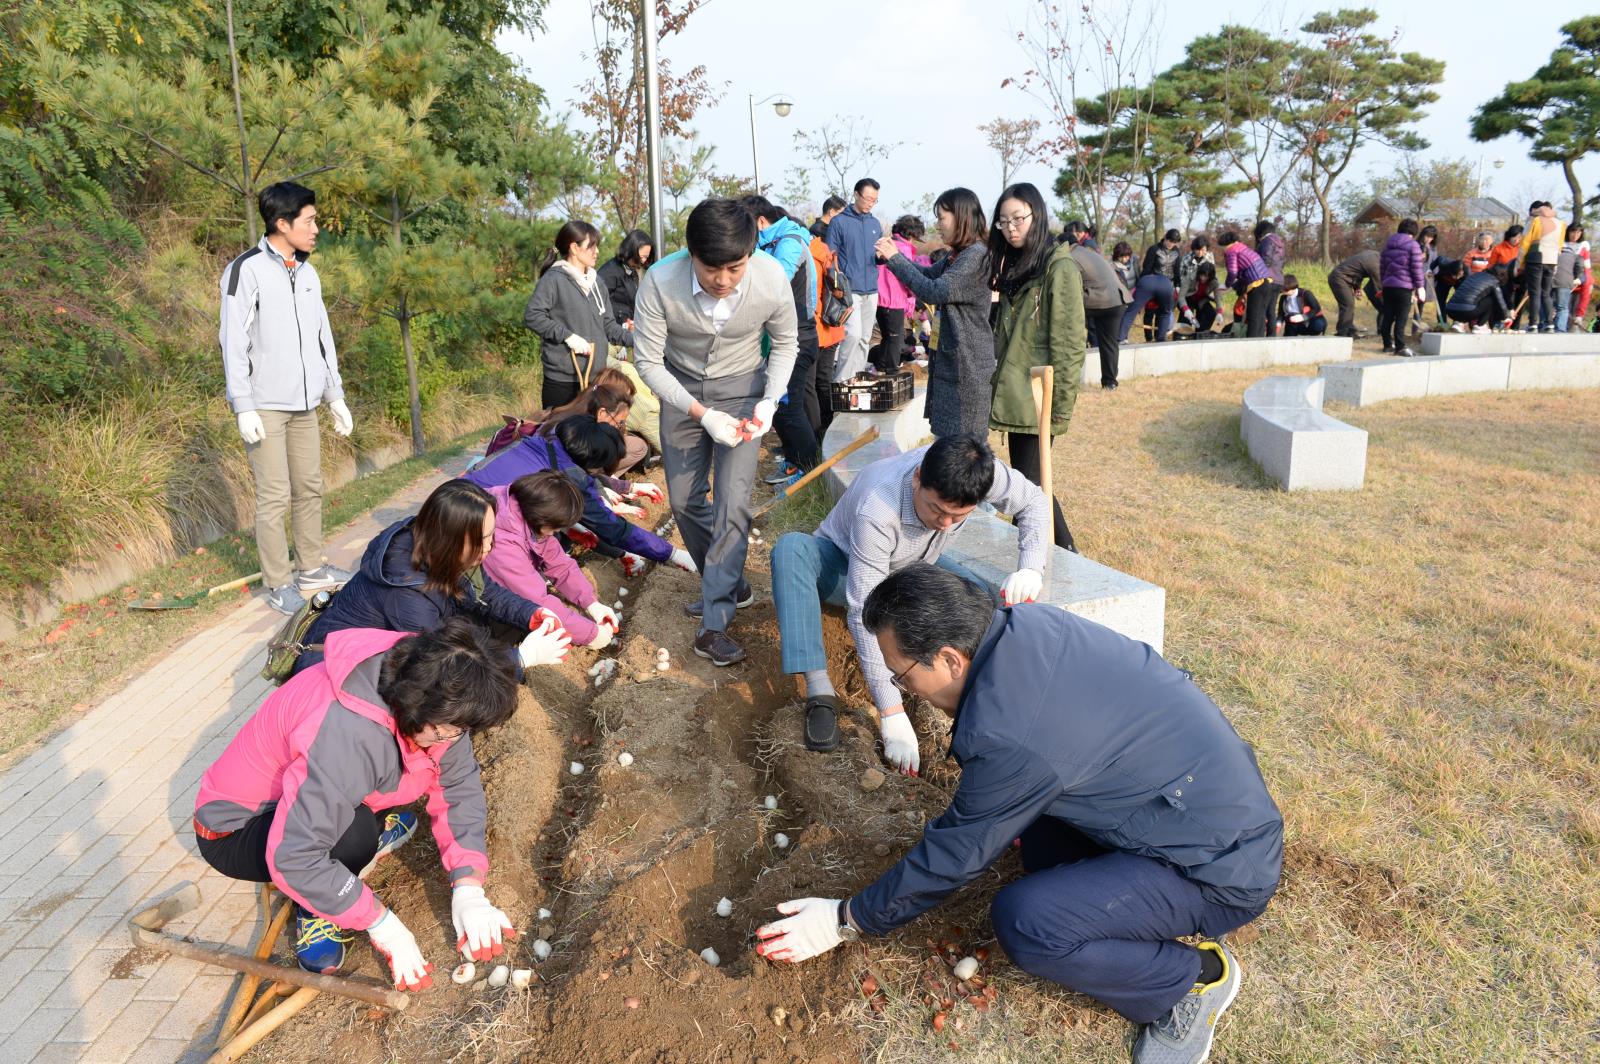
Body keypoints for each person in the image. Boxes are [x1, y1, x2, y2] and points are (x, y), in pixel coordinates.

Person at [755, 563, 1283, 1064]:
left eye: (902, 675)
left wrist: (847, 919)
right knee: (1038, 848)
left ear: (950, 659)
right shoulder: (1023, 626)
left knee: (1029, 923)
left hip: (1218, 867)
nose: (903, 688)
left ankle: (1191, 980)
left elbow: (955, 855)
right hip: (1193, 800)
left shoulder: (1012, 734)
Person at [195, 618, 526, 985]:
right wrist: (384, 926)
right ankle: (318, 909)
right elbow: (296, 856)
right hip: (235, 831)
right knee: (354, 836)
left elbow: (458, 783)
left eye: (461, 731)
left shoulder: (429, 684)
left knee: (359, 813)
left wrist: (468, 886)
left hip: (309, 796)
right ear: (420, 706)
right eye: (449, 731)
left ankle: (350, 853)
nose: (454, 739)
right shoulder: (350, 734)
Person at [768, 435, 1048, 760]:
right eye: (936, 510)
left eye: (957, 517)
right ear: (918, 478)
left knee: (982, 598)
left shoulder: (980, 473)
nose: (945, 525)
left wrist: (1031, 568)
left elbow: (1034, 502)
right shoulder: (879, 505)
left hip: (910, 572)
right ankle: (820, 693)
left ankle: (986, 700)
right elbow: (862, 609)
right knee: (791, 550)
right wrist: (891, 710)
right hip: (842, 567)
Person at [633, 198, 799, 666]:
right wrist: (701, 413)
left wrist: (769, 401)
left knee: (732, 503)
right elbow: (647, 361)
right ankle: (727, 581)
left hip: (744, 389)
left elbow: (787, 341)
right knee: (685, 500)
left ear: (750, 255)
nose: (723, 280)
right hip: (680, 390)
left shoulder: (769, 278)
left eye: (735, 267)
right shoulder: (660, 282)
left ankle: (715, 621)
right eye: (711, 269)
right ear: (690, 256)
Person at [220, 181, 354, 615]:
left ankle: (311, 568)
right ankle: (278, 582)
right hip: (266, 405)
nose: (316, 228)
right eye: (309, 220)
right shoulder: (247, 270)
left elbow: (322, 339)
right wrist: (243, 405)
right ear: (282, 223)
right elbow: (232, 342)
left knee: (310, 487)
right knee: (274, 494)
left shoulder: (308, 272)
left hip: (305, 404)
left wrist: (334, 395)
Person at [292, 479, 574, 678]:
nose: (489, 547)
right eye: (482, 539)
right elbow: (440, 668)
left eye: (490, 536)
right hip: (335, 671)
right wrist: (519, 659)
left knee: (500, 629)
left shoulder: (440, 547)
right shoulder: (407, 594)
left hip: (412, 642)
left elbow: (484, 592)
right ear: (450, 538)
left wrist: (532, 612)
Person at [467, 414, 685, 573]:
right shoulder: (569, 476)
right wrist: (671, 553)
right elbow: (613, 529)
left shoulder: (537, 444)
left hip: (455, 497)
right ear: (593, 462)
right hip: (475, 526)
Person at [989, 182, 1081, 551]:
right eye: (1003, 222)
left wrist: (1059, 408)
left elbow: (1069, 343)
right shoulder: (1016, 266)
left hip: (1040, 393)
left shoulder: (1058, 267)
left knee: (1030, 485)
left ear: (1037, 216)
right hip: (1015, 390)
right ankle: (1033, 552)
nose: (1011, 228)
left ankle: (1066, 553)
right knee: (1028, 483)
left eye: (1018, 219)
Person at [876, 188, 995, 437]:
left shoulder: (975, 256)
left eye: (942, 218)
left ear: (960, 217)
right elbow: (928, 275)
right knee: (949, 440)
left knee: (963, 443)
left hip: (967, 362)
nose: (938, 225)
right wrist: (893, 257)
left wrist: (895, 259)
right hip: (954, 357)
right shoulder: (959, 254)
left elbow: (934, 290)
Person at [483, 471, 617, 651]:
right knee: (510, 628)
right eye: (554, 528)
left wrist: (591, 603)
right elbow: (536, 599)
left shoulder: (527, 513)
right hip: (466, 601)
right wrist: (590, 634)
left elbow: (560, 565)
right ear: (541, 518)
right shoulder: (502, 538)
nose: (554, 533)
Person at [742, 195, 821, 480]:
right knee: (787, 407)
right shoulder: (776, 242)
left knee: (788, 408)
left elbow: (774, 285)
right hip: (790, 335)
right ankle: (794, 463)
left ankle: (807, 472)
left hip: (797, 338)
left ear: (760, 222)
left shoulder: (788, 243)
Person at [525, 220, 636, 408]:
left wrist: (640, 339)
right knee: (559, 435)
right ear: (574, 248)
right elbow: (533, 315)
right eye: (591, 246)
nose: (597, 252)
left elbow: (608, 327)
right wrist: (567, 336)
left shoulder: (597, 283)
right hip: (562, 380)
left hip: (595, 379)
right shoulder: (553, 279)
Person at [826, 178, 884, 381]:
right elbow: (829, 256)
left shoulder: (875, 223)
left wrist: (882, 257)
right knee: (852, 335)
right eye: (868, 198)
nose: (870, 203)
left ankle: (856, 380)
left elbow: (877, 255)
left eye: (874, 200)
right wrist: (837, 284)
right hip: (850, 290)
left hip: (872, 290)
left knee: (865, 338)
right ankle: (841, 382)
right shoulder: (839, 222)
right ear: (856, 195)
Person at [1063, 220, 1130, 389]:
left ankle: (1066, 379)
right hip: (1118, 300)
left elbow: (1069, 289)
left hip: (1098, 300)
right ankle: (1110, 383)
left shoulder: (1069, 257)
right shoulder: (1088, 251)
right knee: (1109, 342)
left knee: (1066, 328)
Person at [871, 215, 925, 375]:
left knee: (888, 337)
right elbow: (907, 276)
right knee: (895, 338)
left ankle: (881, 367)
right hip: (892, 298)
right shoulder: (903, 249)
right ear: (911, 235)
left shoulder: (886, 243)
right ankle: (892, 370)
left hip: (879, 297)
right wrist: (914, 294)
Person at [1379, 218, 1427, 357]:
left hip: (1388, 286)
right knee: (1401, 317)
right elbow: (1416, 268)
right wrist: (1420, 286)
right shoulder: (1413, 245)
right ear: (1414, 232)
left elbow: (1382, 267)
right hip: (1404, 287)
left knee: (1387, 316)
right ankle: (1400, 346)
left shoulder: (1388, 245)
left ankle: (1387, 345)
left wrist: (1384, 282)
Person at [1122, 232, 1178, 344]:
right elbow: (1146, 267)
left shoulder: (1176, 252)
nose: (1172, 244)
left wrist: (1178, 285)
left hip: (1167, 287)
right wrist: (1142, 285)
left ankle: (1159, 339)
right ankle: (1147, 338)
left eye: (1174, 242)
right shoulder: (1154, 249)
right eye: (1170, 241)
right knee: (1147, 312)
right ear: (1165, 238)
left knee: (1163, 313)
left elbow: (1177, 270)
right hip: (1150, 284)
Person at [1218, 232, 1274, 338]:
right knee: (1260, 316)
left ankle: (1250, 343)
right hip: (1267, 281)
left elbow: (1233, 272)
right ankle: (1259, 341)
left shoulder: (1231, 250)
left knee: (1252, 316)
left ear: (1225, 244)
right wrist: (1232, 287)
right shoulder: (1244, 248)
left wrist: (1226, 285)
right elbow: (1244, 275)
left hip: (1256, 284)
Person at [1519, 202, 1561, 332]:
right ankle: (1550, 324)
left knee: (1534, 292)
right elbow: (1560, 246)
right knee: (1546, 293)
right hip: (1552, 260)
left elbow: (1525, 243)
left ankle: (1533, 324)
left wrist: (1519, 264)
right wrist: (1556, 265)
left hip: (1535, 258)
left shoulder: (1535, 220)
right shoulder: (1560, 223)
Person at [597, 229, 653, 327]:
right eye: (642, 256)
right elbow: (598, 305)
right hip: (612, 332)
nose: (643, 261)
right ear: (631, 250)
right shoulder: (609, 272)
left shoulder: (632, 272)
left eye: (646, 257)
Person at [1326, 249, 1383, 339]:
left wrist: (1357, 288)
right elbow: (1379, 286)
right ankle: (1343, 332)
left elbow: (1357, 270)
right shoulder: (1375, 263)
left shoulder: (1373, 255)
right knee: (1347, 305)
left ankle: (1350, 332)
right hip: (1339, 278)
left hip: (1344, 278)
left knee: (1349, 305)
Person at [1443, 265, 1512, 331]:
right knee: (1491, 299)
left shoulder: (1474, 276)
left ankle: (1458, 324)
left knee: (1468, 298)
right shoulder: (1494, 281)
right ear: (1502, 275)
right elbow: (1500, 301)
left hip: (1450, 310)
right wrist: (1507, 317)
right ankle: (1480, 326)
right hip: (1467, 311)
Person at [1554, 225, 1584, 333]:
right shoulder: (1561, 243)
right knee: (1556, 305)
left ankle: (1560, 329)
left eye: (1578, 233)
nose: (1575, 235)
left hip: (1569, 278)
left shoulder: (1582, 246)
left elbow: (1582, 265)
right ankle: (1553, 327)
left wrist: (1579, 278)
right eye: (1573, 232)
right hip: (1558, 276)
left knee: (1562, 305)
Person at [1181, 262, 1224, 336]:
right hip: (1187, 299)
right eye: (1202, 275)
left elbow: (1218, 298)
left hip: (1201, 300)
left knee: (1211, 313)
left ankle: (1200, 334)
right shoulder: (1190, 277)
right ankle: (1185, 335)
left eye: (1206, 276)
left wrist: (1219, 312)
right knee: (1186, 319)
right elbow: (1181, 296)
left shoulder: (1214, 282)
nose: (1203, 278)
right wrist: (1186, 309)